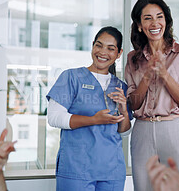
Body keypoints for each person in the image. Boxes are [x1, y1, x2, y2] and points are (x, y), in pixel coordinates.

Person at [125, 0, 179, 191]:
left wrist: (164, 74)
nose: (154, 23)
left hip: (174, 129)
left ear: (166, 21)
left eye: (159, 16)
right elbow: (133, 104)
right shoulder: (133, 59)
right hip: (142, 131)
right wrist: (147, 76)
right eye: (147, 18)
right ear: (140, 25)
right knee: (143, 187)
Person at [46, 26, 132, 191]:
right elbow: (54, 117)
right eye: (99, 45)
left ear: (119, 53)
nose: (102, 52)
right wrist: (94, 120)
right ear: (92, 45)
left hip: (112, 170)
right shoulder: (71, 77)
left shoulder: (120, 87)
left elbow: (124, 131)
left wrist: (124, 111)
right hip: (77, 167)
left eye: (110, 48)